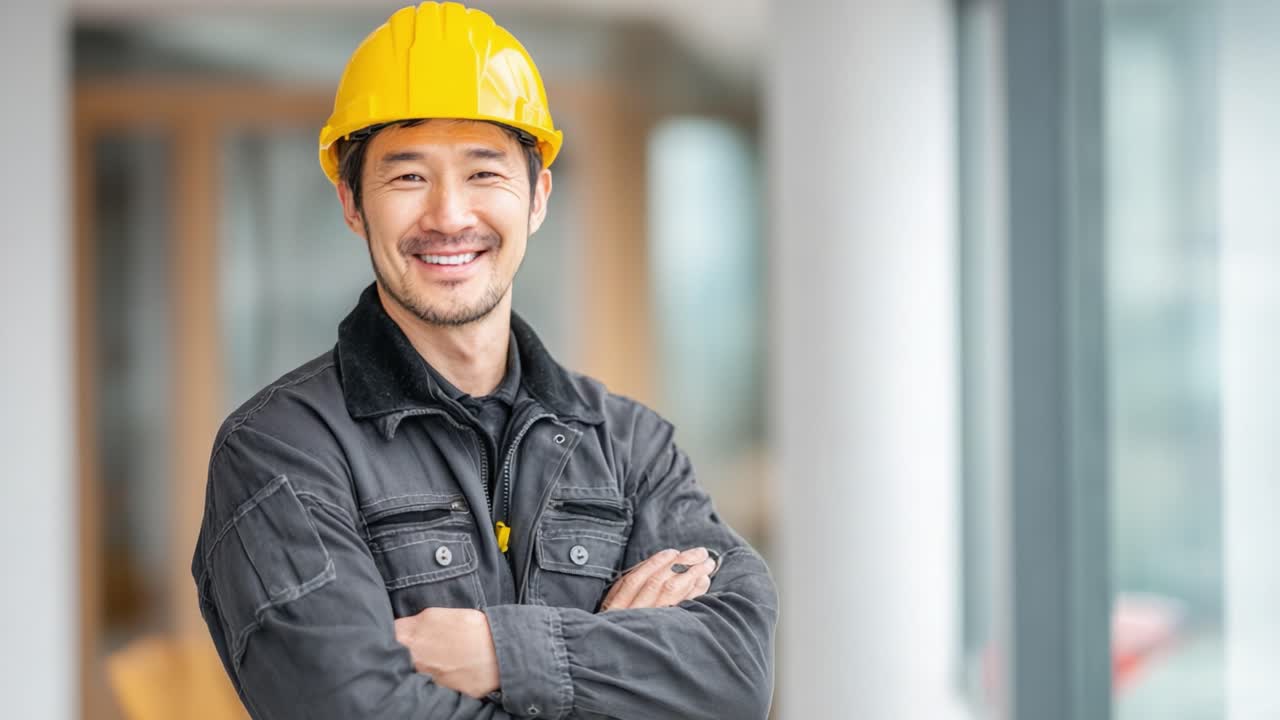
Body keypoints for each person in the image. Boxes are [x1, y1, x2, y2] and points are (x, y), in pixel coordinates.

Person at [190, 3, 777, 718]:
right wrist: (619, 659)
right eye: (407, 178)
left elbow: (735, 676)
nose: (448, 215)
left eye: (483, 173)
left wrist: (499, 650)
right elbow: (355, 709)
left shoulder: (629, 448)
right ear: (351, 201)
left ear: (537, 197)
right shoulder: (282, 451)